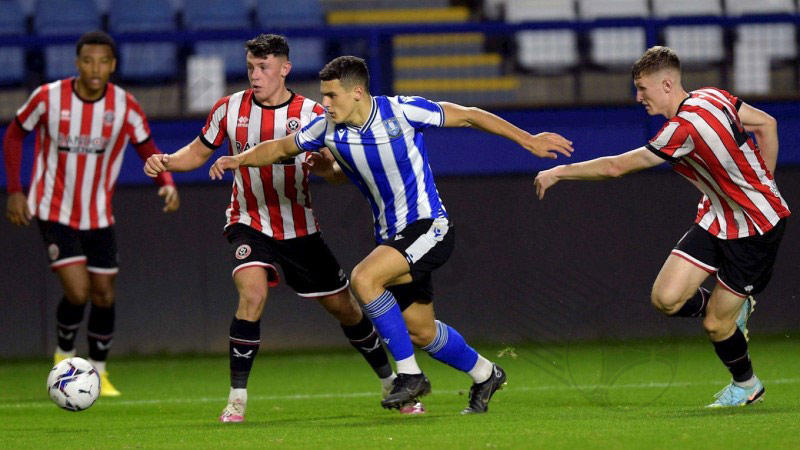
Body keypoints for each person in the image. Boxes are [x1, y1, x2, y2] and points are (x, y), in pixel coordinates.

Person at [208, 55, 573, 414]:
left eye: (331, 95)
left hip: (430, 226)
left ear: (357, 93)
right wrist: (236, 160)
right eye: (323, 95)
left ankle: (410, 376)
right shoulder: (327, 130)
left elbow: (470, 115)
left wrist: (528, 139)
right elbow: (280, 148)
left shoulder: (403, 111)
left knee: (364, 278)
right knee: (421, 331)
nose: (325, 104)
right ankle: (486, 373)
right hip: (393, 237)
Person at [143, 35, 406, 422]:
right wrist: (165, 160)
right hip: (247, 221)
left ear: (284, 68)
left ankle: (391, 383)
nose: (255, 75)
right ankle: (236, 399)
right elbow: (197, 153)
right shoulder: (229, 108)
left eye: (264, 67)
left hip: (300, 228)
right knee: (251, 294)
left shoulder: (316, 112)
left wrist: (327, 169)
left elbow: (337, 174)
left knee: (347, 310)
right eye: (251, 67)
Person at [534, 46, 789, 407]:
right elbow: (767, 124)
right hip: (717, 218)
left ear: (666, 84)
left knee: (716, 325)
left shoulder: (682, 129)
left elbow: (615, 168)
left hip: (756, 230)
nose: (638, 97)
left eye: (642, 89)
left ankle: (747, 386)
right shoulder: (712, 95)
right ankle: (736, 306)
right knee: (665, 299)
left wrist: (560, 171)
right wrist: (763, 180)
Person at [2, 31, 180, 396]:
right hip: (53, 208)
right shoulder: (49, 97)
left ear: (113, 65)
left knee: (104, 294)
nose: (95, 68)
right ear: (77, 63)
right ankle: (64, 356)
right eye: (88, 61)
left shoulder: (125, 106)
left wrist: (165, 180)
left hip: (98, 214)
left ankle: (99, 373)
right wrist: (16, 190)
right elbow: (14, 134)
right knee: (78, 290)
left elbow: (145, 144)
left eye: (103, 61)